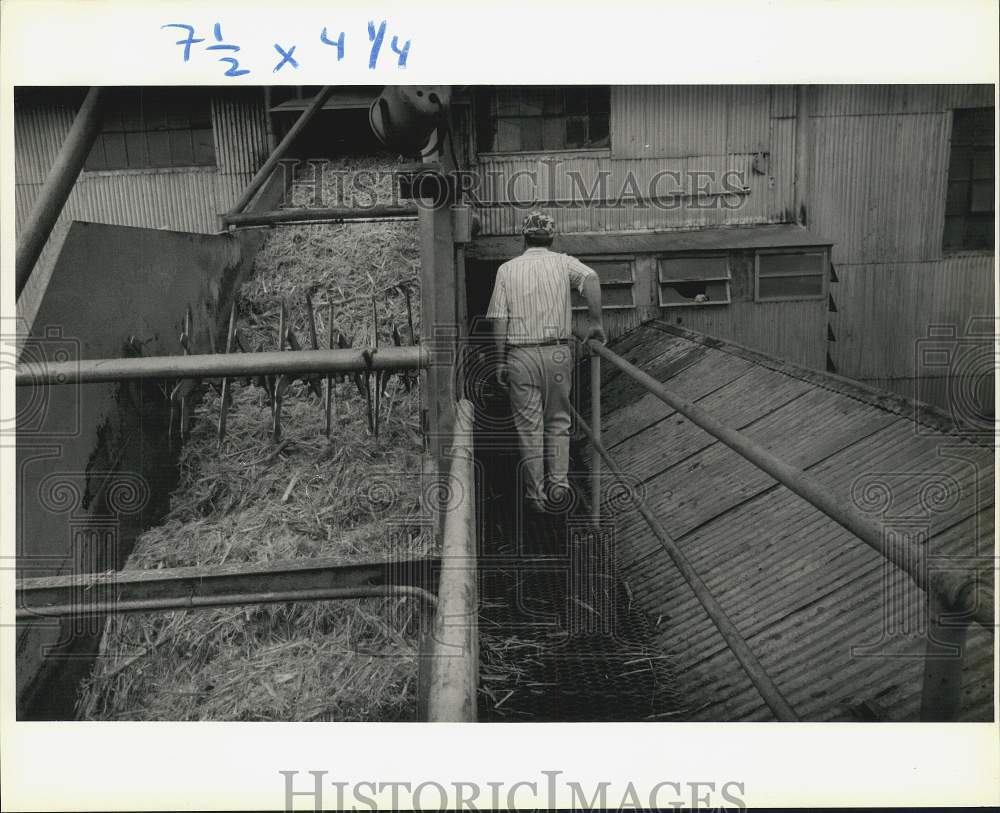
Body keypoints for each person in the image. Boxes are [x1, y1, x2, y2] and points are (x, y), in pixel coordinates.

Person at [486, 211, 606, 513]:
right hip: (556, 353)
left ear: (523, 237)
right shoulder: (563, 263)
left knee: (530, 429)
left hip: (520, 356)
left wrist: (500, 361)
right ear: (552, 238)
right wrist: (595, 322)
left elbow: (499, 319)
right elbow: (591, 278)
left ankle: (536, 498)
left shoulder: (506, 269)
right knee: (558, 423)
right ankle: (559, 488)